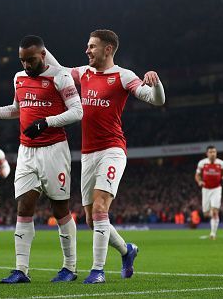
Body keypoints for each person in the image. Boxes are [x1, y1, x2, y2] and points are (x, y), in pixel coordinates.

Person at [46, 29, 165, 283]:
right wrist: (41, 50)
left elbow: (155, 100)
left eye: (91, 46)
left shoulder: (123, 76)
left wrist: (157, 84)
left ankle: (97, 270)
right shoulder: (84, 73)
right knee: (91, 219)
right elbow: (59, 71)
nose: (87, 50)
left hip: (112, 149)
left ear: (108, 49)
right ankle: (127, 250)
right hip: (88, 153)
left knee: (101, 207)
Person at [0, 35, 83, 284]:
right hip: (26, 152)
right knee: (23, 208)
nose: (26, 66)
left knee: (60, 208)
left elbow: (78, 111)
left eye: (30, 60)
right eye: (22, 60)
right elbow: (17, 109)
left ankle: (70, 267)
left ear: (43, 55)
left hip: (54, 150)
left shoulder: (60, 77)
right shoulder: (19, 78)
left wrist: (46, 123)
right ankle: (21, 270)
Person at [195, 145, 223, 240]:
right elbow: (197, 175)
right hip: (205, 189)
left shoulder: (222, 164)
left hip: (216, 189)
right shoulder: (202, 163)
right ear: (207, 154)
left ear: (216, 153)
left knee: (214, 212)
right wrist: (199, 181)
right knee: (206, 214)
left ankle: (213, 234)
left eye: (214, 152)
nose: (212, 154)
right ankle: (212, 213)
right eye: (210, 152)